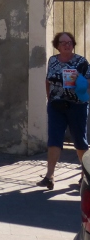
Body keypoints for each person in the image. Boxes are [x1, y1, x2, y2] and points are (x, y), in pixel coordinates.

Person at [37, 31, 90, 190]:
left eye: (69, 42)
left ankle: (85, 177)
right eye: (63, 42)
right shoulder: (52, 60)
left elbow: (88, 83)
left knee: (80, 141)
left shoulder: (81, 61)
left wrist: (78, 82)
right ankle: (49, 176)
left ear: (73, 44)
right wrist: (50, 99)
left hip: (77, 105)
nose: (67, 45)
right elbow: (48, 80)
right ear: (57, 45)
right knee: (54, 139)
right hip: (56, 106)